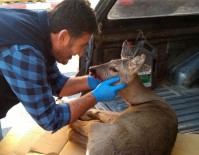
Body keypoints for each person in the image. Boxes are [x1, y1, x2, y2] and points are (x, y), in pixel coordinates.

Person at [0, 0, 126, 132]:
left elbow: (56, 83)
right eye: (82, 45)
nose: (81, 53)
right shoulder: (24, 52)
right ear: (64, 37)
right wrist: (96, 96)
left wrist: (93, 81)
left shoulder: (43, 29)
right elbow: (50, 119)